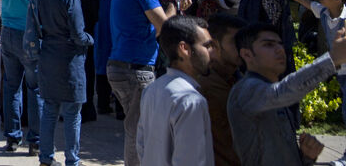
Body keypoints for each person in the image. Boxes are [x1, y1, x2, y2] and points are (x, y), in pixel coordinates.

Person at [227, 22, 346, 166]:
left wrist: (306, 157)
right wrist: (333, 59)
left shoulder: (271, 90)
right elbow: (282, 92)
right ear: (247, 54)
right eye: (269, 45)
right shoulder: (246, 90)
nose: (279, 50)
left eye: (280, 44)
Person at [107, 0, 179, 166]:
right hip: (135, 70)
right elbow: (165, 28)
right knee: (139, 130)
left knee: (136, 127)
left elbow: (151, 30)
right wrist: (174, 4)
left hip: (122, 66)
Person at [25, 0, 94, 166]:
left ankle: (46, 157)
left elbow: (33, 30)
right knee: (73, 112)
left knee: (49, 110)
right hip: (70, 60)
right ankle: (72, 160)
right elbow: (78, 33)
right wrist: (89, 40)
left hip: (48, 57)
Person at [135, 15, 215, 166]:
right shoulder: (190, 101)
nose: (213, 53)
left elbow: (141, 145)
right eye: (207, 46)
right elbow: (190, 160)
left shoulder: (153, 89)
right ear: (184, 49)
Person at [0, 0, 42, 154]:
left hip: (8, 30)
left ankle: (12, 137)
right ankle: (36, 138)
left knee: (11, 85)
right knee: (35, 87)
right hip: (30, 33)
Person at [197, 12, 247, 166]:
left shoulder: (241, 81)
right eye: (235, 42)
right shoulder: (201, 87)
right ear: (214, 44)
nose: (242, 48)